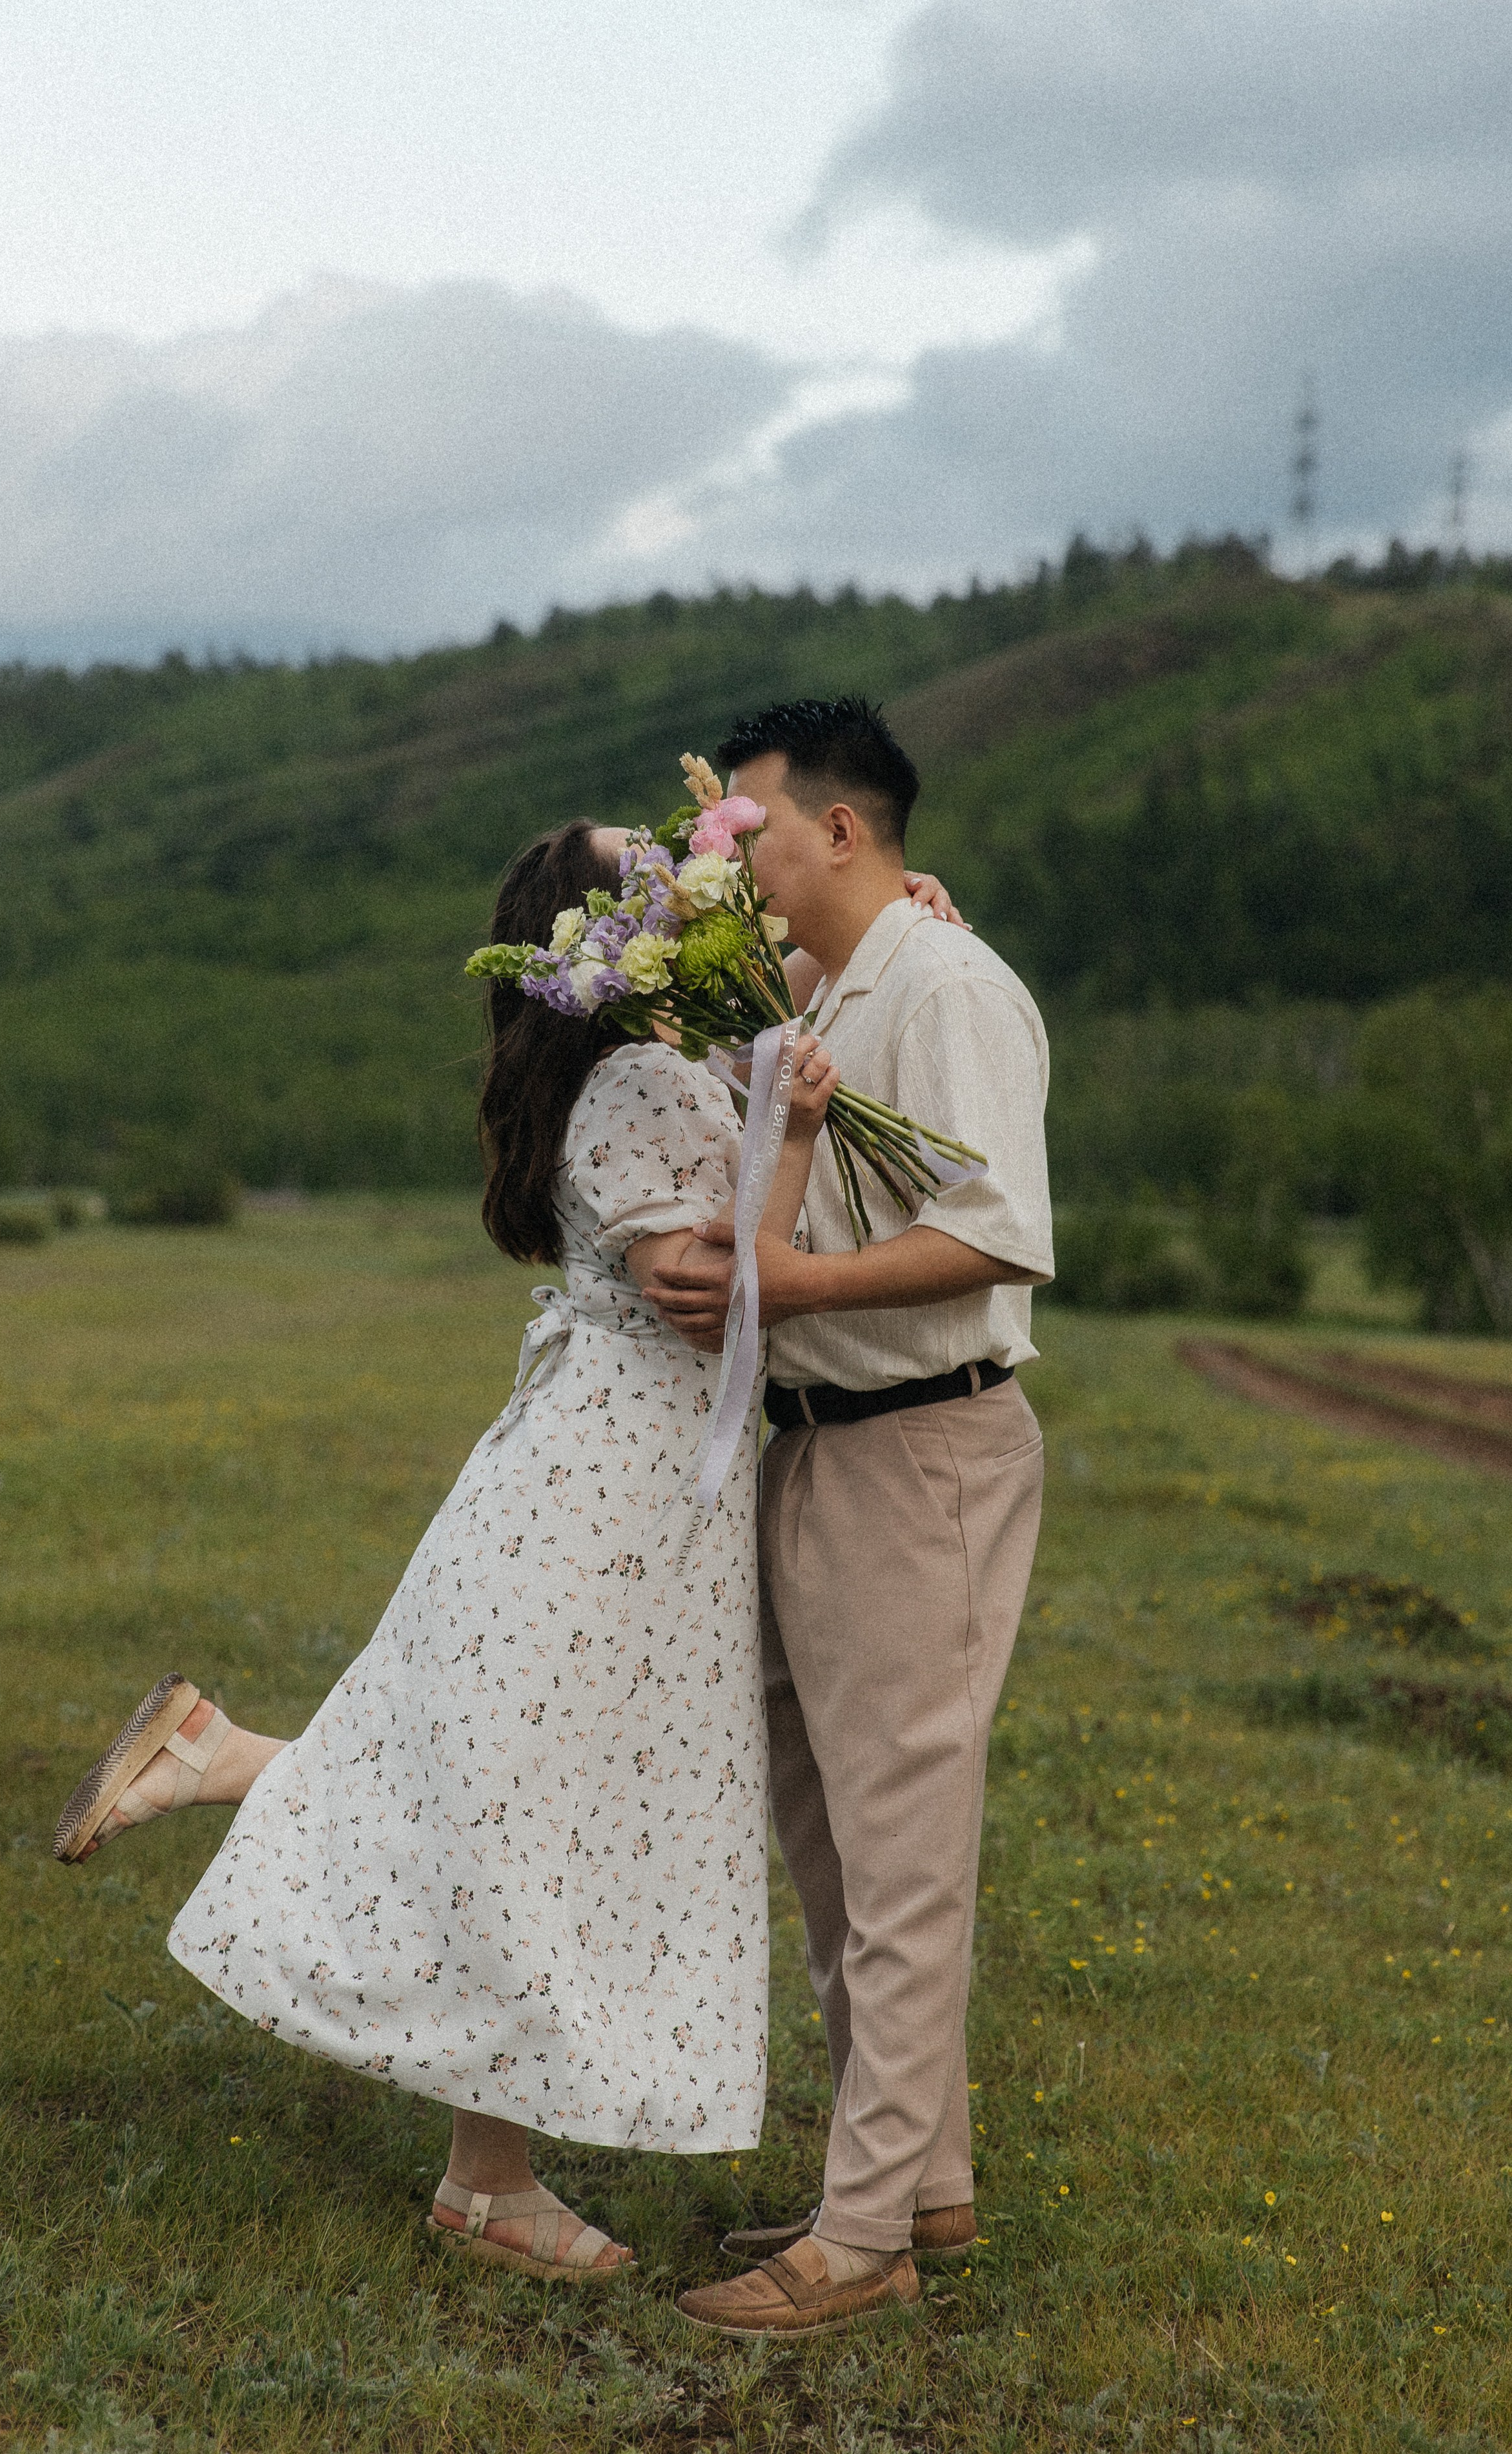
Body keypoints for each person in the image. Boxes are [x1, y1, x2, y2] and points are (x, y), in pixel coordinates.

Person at [52, 815, 959, 2285]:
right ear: (608, 942)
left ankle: (226, 1768)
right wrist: (792, 1132)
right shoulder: (645, 1083)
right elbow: (721, 1290)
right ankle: (485, 2178)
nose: (687, 881)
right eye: (652, 879)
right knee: (525, 1820)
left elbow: (753, 1024)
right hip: (613, 1496)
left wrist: (882, 927)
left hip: (596, 1477)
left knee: (522, 1809)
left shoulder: (610, 1070)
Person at [646, 697, 1053, 2338]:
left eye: (745, 830)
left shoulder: (947, 983)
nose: (729, 862)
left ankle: (862, 2235)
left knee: (899, 1857)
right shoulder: (820, 985)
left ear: (838, 830)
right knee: (830, 1838)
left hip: (918, 1448)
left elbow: (1003, 1228)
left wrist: (794, 1284)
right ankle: (919, 2182)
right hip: (810, 1442)